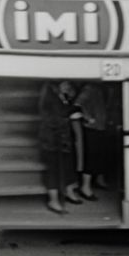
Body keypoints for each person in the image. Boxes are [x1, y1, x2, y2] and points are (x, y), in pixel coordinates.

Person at [38, 81, 84, 214]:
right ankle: (53, 201)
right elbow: (60, 114)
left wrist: (68, 100)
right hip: (52, 139)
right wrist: (75, 109)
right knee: (53, 170)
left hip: (62, 138)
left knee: (68, 165)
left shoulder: (57, 94)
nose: (68, 87)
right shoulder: (50, 95)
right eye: (66, 84)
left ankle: (69, 192)